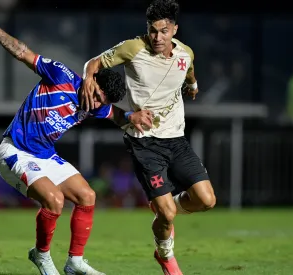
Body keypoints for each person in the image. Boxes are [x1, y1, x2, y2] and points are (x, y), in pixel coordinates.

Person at [0, 4, 147, 275]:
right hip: (14, 152)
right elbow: (22, 53)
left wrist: (133, 117)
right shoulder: (61, 76)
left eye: (101, 101)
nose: (95, 101)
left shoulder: (96, 106)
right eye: (97, 94)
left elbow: (115, 116)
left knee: (87, 196)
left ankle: (74, 262)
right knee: (54, 200)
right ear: (91, 79)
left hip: (44, 155)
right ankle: (41, 256)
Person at [80, 0, 217, 274]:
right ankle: (165, 254)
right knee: (166, 214)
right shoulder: (133, 48)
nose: (157, 37)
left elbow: (189, 71)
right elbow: (93, 63)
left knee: (206, 201)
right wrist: (87, 79)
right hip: (143, 141)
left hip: (176, 138)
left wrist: (193, 85)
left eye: (163, 31)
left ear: (174, 30)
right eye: (152, 30)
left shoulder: (185, 53)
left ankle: (166, 208)